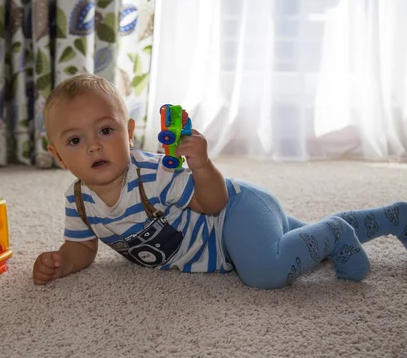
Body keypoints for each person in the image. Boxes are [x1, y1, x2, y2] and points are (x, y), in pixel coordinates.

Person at [32, 74, 407, 289]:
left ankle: (337, 231)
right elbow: (81, 248)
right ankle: (390, 218)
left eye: (106, 129)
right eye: (76, 140)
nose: (94, 145)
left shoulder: (153, 175)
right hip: (231, 238)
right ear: (59, 155)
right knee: (303, 240)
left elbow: (213, 203)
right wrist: (61, 262)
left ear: (129, 132)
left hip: (235, 213)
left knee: (266, 272)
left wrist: (202, 166)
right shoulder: (78, 200)